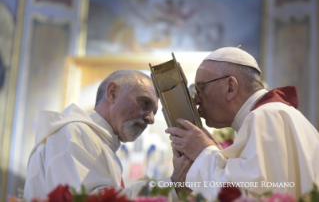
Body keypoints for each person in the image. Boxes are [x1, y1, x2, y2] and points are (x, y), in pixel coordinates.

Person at [166, 47, 319, 200]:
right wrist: (218, 157)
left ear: (230, 87)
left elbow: (250, 196)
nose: (196, 99)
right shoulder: (274, 114)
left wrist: (203, 153)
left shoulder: (266, 117)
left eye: (201, 88)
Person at [24, 69, 192, 200]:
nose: (150, 119)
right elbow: (89, 199)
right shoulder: (73, 132)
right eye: (144, 103)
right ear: (112, 93)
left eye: (154, 112)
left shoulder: (101, 144)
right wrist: (173, 186)